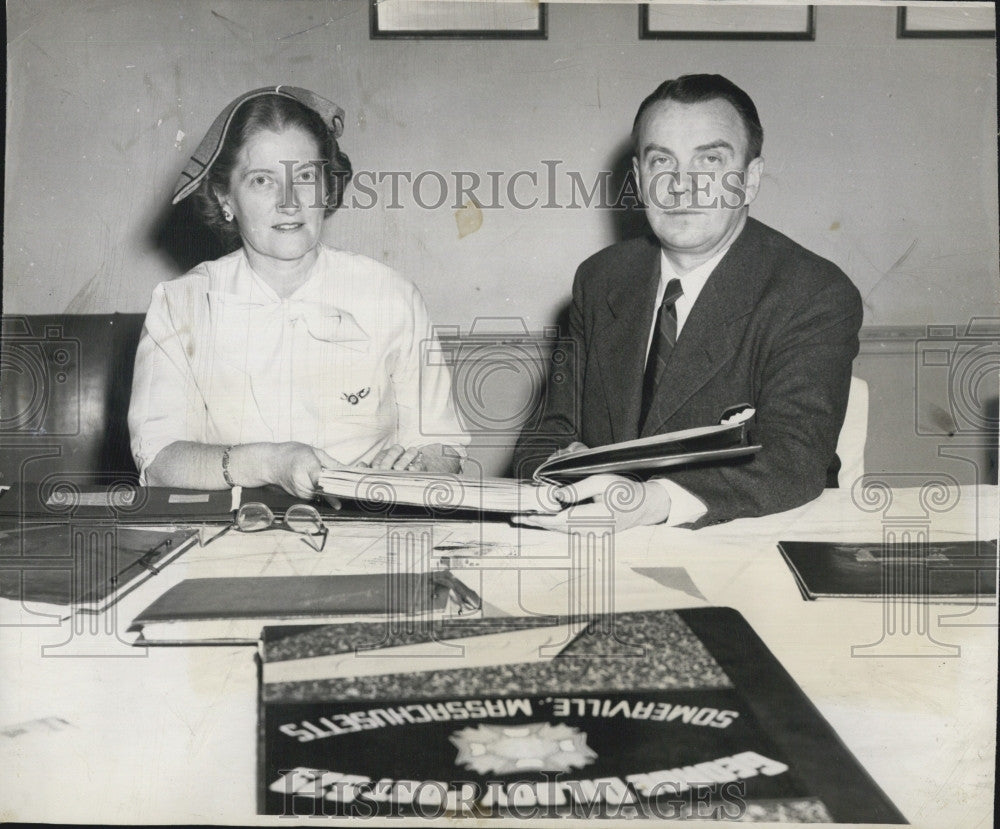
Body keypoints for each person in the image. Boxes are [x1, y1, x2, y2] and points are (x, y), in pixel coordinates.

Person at [513, 74, 862, 531]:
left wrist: (653, 501)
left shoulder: (812, 291)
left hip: (748, 537)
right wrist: (561, 476)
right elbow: (546, 435)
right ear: (639, 180)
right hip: (602, 540)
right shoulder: (600, 279)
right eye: (662, 162)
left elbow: (795, 458)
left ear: (750, 179)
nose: (681, 186)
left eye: (710, 161)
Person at [129, 86, 468, 499]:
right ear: (224, 197)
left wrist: (417, 471)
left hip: (367, 529)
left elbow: (442, 444)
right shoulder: (180, 304)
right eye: (261, 180)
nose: (289, 202)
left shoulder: (391, 296)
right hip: (229, 534)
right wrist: (272, 462)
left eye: (305, 176)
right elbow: (159, 460)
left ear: (326, 187)